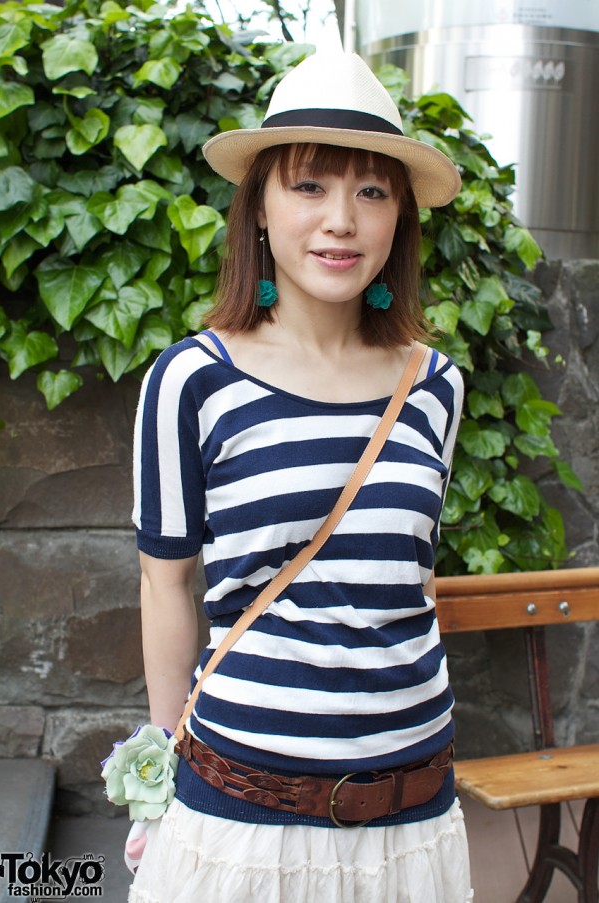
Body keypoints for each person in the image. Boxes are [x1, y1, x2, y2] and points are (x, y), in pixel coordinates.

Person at [129, 52, 472, 903]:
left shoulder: (436, 385)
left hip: (413, 809)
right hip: (241, 815)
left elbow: (409, 575)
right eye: (311, 186)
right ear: (259, 210)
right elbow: (163, 585)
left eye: (371, 192)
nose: (341, 221)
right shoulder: (191, 380)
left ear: (399, 218)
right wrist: (159, 769)